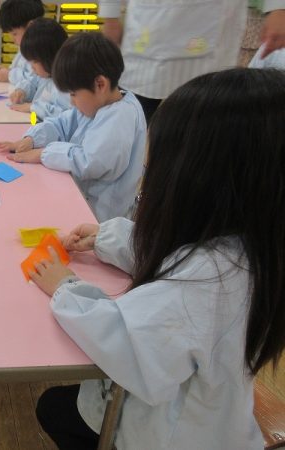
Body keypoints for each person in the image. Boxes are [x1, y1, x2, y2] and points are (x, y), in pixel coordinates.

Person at [29, 68, 285, 450]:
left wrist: (66, 287)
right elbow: (174, 254)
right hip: (212, 413)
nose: (145, 183)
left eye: (152, 170)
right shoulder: (254, 246)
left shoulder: (207, 283)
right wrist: (106, 238)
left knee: (53, 408)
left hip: (171, 436)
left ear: (199, 182)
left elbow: (121, 340)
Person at [0, 33, 146, 222]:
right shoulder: (97, 103)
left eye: (74, 94)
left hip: (99, 219)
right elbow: (61, 123)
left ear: (100, 84)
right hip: (80, 198)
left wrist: (43, 153)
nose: (72, 102)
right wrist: (32, 139)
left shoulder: (121, 116)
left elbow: (90, 162)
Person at [98, 0, 285, 121]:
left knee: (204, 129)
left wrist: (278, 8)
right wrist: (110, 16)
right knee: (128, 120)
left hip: (214, 34)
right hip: (150, 32)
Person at [8, 18, 71, 120]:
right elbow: (33, 82)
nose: (32, 67)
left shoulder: (66, 86)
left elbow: (66, 116)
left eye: (35, 62)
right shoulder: (46, 75)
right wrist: (22, 91)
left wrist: (34, 107)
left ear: (50, 58)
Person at [0, 0, 44, 88]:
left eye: (14, 34)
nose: (12, 39)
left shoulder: (41, 50)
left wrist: (9, 75)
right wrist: (8, 70)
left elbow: (36, 80)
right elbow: (20, 68)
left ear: (30, 26)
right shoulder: (25, 47)